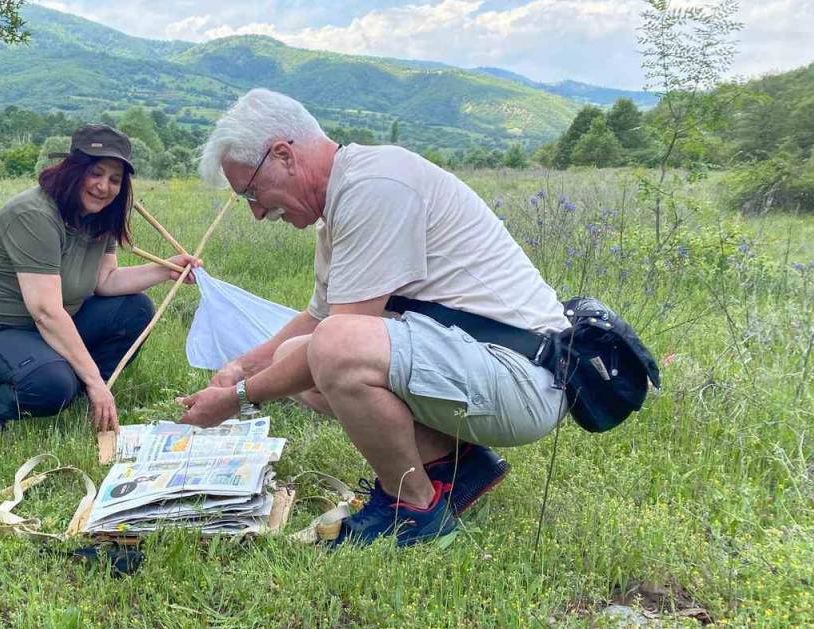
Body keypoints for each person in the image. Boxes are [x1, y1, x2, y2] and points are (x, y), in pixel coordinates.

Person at [177, 89, 569, 547]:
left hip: (522, 379)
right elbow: (315, 320)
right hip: (485, 365)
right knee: (294, 354)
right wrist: (240, 368)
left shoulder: (376, 185)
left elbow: (338, 342)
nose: (258, 212)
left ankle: (415, 509)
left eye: (251, 192)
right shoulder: (344, 199)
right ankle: (454, 464)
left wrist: (239, 399)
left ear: (283, 155)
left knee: (334, 350)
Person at [0, 124, 199, 435]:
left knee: (134, 309)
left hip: (44, 327)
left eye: (115, 180)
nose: (104, 186)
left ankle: (85, 399)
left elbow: (105, 281)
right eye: (96, 173)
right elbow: (45, 312)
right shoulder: (34, 214)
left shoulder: (99, 216)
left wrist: (167, 270)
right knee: (52, 385)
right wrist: (95, 378)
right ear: (73, 169)